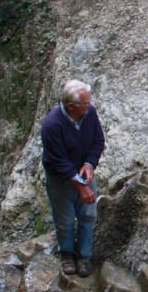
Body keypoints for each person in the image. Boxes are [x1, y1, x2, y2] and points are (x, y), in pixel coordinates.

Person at [41, 79, 106, 277]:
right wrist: (80, 186)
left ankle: (84, 256)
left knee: (88, 215)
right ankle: (67, 254)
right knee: (65, 219)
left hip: (83, 173)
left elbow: (98, 140)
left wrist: (89, 164)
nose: (90, 105)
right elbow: (57, 162)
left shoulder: (89, 113)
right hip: (61, 180)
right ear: (71, 106)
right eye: (85, 103)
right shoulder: (52, 125)